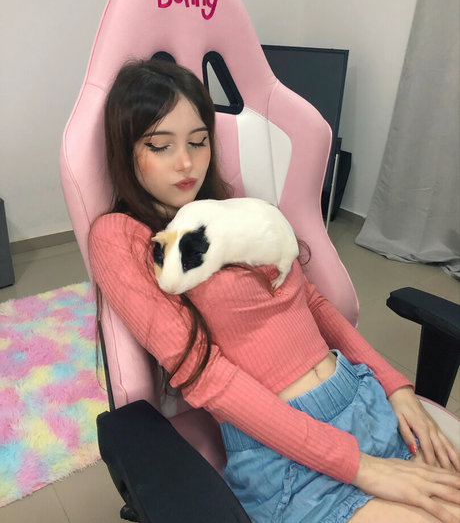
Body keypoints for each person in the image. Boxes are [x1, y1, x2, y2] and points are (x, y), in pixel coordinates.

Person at [88, 58, 460, 523]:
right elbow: (207, 376)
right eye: (161, 146)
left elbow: (312, 303)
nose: (186, 163)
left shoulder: (230, 211)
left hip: (361, 397)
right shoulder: (122, 235)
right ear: (125, 149)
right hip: (289, 458)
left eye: (199, 141)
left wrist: (394, 385)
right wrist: (359, 466)